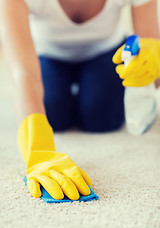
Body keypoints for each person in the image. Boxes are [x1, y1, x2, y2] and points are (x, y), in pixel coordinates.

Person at [0, 0, 160, 200]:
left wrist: (153, 64)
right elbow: (25, 74)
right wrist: (38, 151)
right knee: (53, 113)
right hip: (49, 54)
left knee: (101, 117)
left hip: (106, 52)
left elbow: (153, 72)